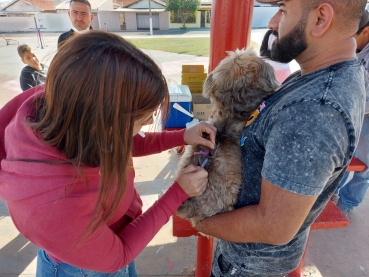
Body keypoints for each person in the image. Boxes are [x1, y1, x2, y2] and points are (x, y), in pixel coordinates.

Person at [0, 31, 216, 276]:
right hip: (83, 268)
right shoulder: (55, 206)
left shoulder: (69, 112)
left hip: (111, 236)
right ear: (101, 122)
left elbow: (123, 142)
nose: (146, 127)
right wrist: (177, 193)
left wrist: (182, 136)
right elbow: (119, 255)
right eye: (142, 120)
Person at [194, 1, 367, 276]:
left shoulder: (313, 111)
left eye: (283, 10)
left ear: (320, 18)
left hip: (248, 266)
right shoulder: (322, 74)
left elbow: (274, 227)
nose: (273, 22)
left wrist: (202, 223)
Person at [334, 10, 369, 216]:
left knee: (364, 167)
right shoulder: (357, 49)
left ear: (366, 31)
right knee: (342, 158)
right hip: (353, 113)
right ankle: (334, 191)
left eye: (352, 37)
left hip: (365, 117)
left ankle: (348, 202)